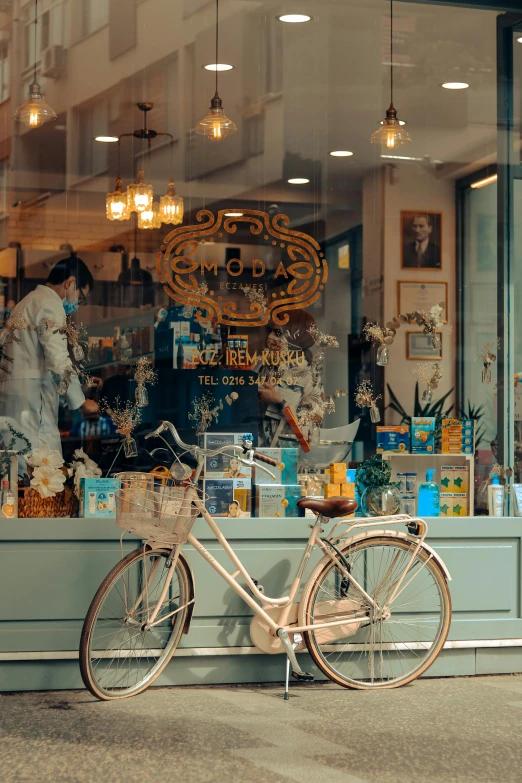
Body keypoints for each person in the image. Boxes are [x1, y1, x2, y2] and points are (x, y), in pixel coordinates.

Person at [0, 256, 99, 468]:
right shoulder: (51, 304)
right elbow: (57, 358)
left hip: (14, 396)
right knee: (42, 470)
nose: (77, 304)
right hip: (33, 398)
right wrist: (81, 401)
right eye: (80, 297)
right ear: (70, 283)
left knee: (15, 467)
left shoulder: (26, 302)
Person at [256, 309, 318, 447]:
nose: (270, 338)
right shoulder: (264, 366)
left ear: (295, 338)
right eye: (270, 331)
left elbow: (309, 431)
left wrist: (279, 402)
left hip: (290, 459)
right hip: (260, 454)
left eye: (278, 333)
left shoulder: (309, 376)